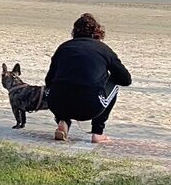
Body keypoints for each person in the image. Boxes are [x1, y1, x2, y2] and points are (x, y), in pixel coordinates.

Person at [47, 14, 131, 144]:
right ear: (97, 32)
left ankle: (62, 121)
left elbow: (48, 80)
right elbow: (125, 80)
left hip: (58, 104)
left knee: (58, 86)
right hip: (90, 107)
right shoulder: (104, 49)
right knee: (114, 84)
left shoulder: (63, 47)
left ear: (74, 32)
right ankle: (97, 132)